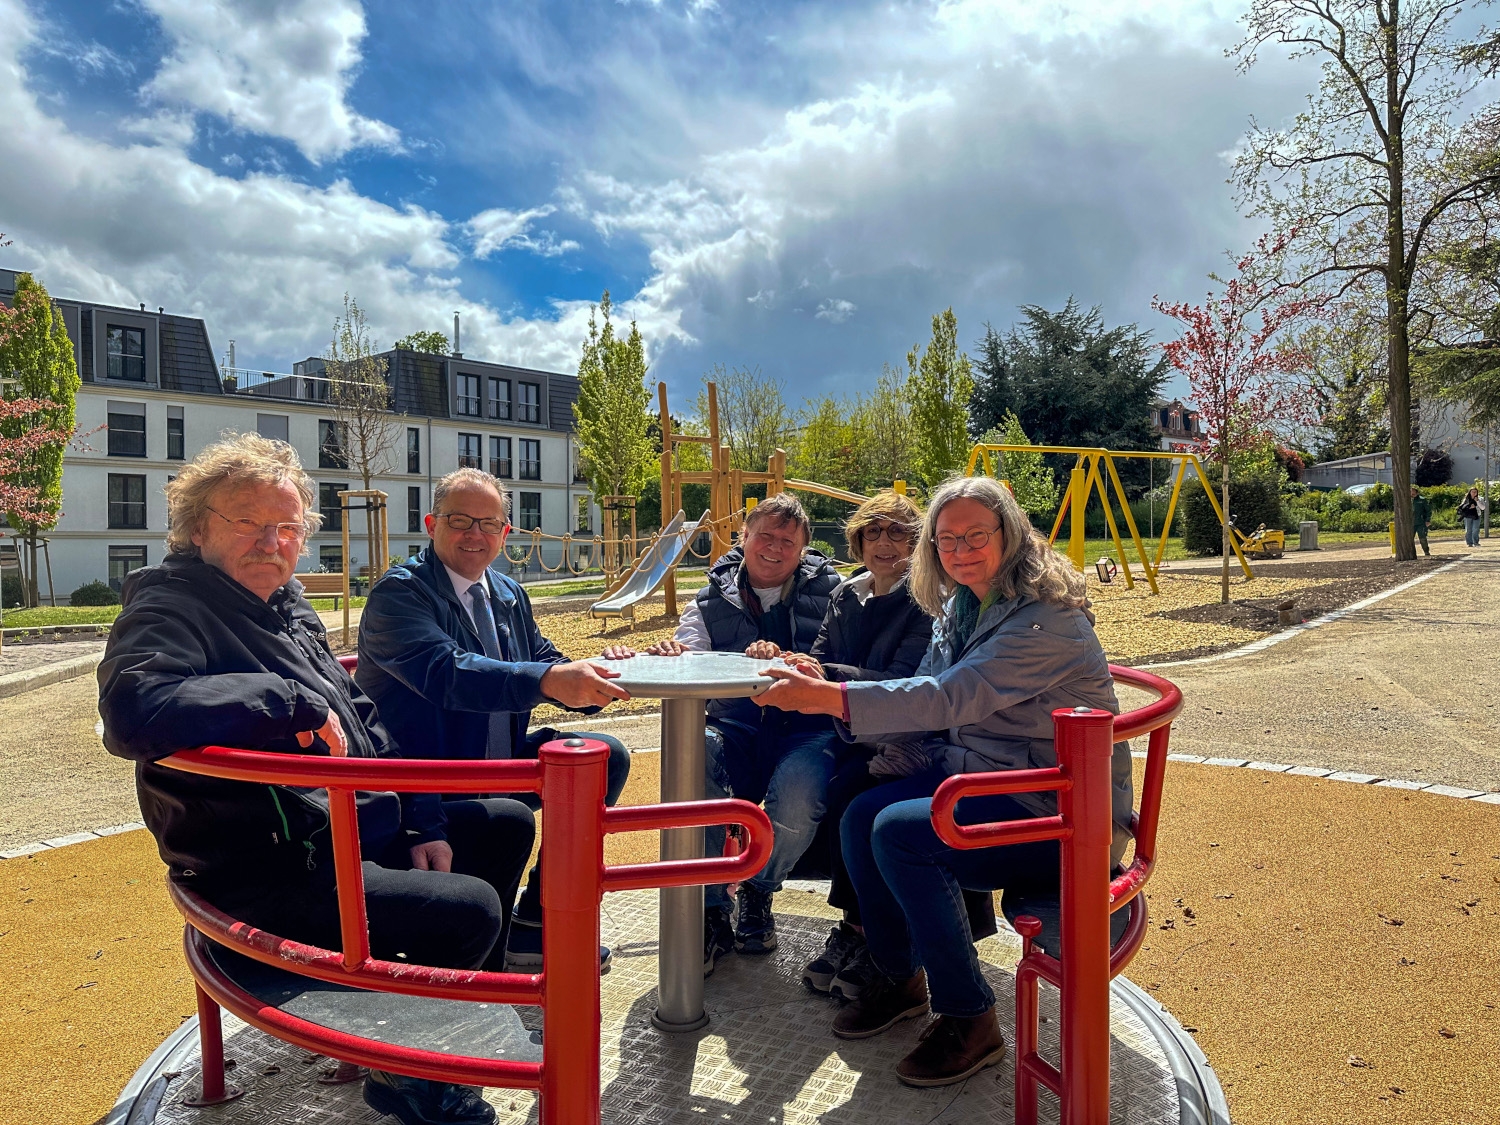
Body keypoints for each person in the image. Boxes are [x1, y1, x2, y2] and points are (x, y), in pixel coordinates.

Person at [99, 434, 532, 1125]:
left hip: (339, 830)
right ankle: (415, 1078)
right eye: (249, 521)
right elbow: (132, 707)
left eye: (288, 526)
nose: (272, 540)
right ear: (199, 526)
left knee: (506, 822)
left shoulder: (287, 606)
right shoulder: (170, 607)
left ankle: (459, 1018)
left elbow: (364, 716)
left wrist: (423, 819)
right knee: (468, 908)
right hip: (267, 862)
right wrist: (289, 703)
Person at [754, 475, 1132, 1089]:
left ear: (1010, 535)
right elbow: (928, 683)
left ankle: (970, 1016)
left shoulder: (1045, 619)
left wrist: (831, 696)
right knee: (858, 812)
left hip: (1056, 809)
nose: (960, 550)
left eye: (976, 535)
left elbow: (950, 696)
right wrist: (832, 693)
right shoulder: (962, 605)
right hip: (987, 778)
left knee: (905, 834)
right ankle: (901, 977)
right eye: (947, 538)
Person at [357, 468, 632, 972]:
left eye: (489, 524)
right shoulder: (400, 595)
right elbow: (447, 673)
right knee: (510, 820)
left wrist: (609, 675)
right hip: (430, 780)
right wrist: (547, 680)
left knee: (603, 756)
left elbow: (543, 658)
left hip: (496, 762)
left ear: (506, 533)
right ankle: (493, 953)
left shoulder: (506, 593)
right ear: (431, 523)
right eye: (460, 521)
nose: (475, 535)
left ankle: (534, 923)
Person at [605, 492, 841, 972]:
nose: (774, 548)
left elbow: (836, 654)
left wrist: (794, 660)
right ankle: (712, 906)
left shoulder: (832, 592)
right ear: (744, 537)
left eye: (787, 542)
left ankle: (759, 888)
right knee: (696, 757)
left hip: (804, 726)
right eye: (765, 536)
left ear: (802, 551)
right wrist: (674, 652)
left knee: (800, 784)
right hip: (736, 723)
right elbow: (691, 652)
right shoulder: (712, 596)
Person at [1411, 485, 1432, 557]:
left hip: (1421, 522)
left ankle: (1426, 552)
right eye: (1410, 491)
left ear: (1417, 492)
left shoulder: (1422, 500)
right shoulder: (1406, 500)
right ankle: (1411, 553)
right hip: (1410, 523)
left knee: (1422, 538)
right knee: (1409, 539)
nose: (1411, 492)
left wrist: (1427, 520)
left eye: (1413, 491)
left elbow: (1428, 511)